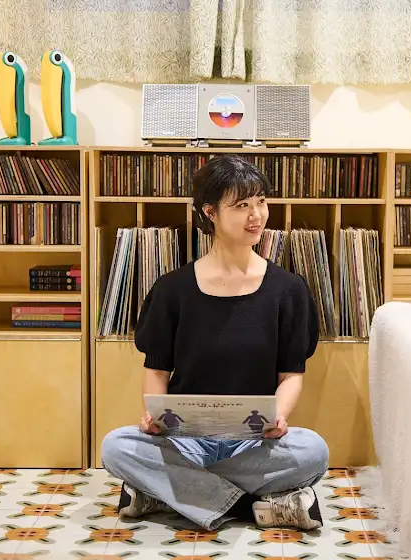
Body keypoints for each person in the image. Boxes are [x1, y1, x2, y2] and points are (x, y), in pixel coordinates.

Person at [101, 154, 329, 532]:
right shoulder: (172, 290)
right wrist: (154, 417)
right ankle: (254, 505)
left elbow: (291, 374)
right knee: (116, 446)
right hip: (185, 440)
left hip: (254, 443)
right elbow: (156, 370)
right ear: (210, 212)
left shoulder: (288, 290)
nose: (256, 215)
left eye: (261, 202)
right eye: (241, 205)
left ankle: (167, 493)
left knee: (313, 451)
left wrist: (279, 417)